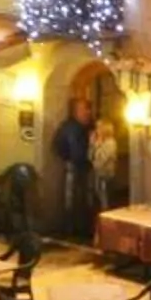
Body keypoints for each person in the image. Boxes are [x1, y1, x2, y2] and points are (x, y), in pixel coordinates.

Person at [53, 97, 96, 238]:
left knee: (88, 197)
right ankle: (70, 230)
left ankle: (86, 228)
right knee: (71, 198)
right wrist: (67, 158)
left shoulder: (91, 127)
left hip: (88, 166)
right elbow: (57, 146)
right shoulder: (67, 127)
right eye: (85, 109)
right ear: (76, 111)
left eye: (88, 109)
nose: (88, 112)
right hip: (72, 166)